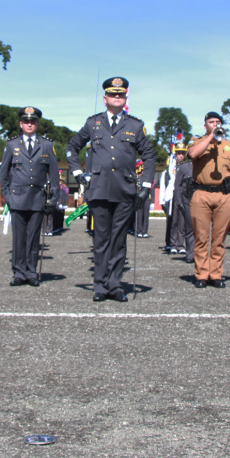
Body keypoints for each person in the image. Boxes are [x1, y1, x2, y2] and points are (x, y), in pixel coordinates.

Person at [67, 76, 156, 302]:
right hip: (98, 190)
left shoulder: (135, 125)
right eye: (112, 94)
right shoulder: (93, 123)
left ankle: (115, 285)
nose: (117, 97)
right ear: (105, 98)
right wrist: (78, 173)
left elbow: (149, 155)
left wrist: (145, 186)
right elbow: (72, 147)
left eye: (121, 94)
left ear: (126, 98)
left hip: (125, 191)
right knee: (101, 239)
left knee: (119, 240)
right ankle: (99, 285)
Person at [0, 106, 60, 286]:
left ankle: (31, 272)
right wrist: (8, 196)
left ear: (37, 124)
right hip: (17, 199)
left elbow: (54, 175)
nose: (29, 124)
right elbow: (4, 175)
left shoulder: (47, 145)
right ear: (21, 124)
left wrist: (53, 199)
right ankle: (19, 272)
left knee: (33, 238)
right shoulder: (12, 145)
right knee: (19, 238)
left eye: (32, 121)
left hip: (37, 198)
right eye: (26, 121)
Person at [187, 111, 230, 288]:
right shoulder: (196, 141)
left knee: (219, 239)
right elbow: (192, 154)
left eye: (218, 122)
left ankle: (216, 274)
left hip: (223, 195)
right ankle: (201, 275)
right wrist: (210, 137)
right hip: (201, 193)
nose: (215, 124)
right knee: (201, 237)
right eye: (212, 122)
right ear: (205, 125)